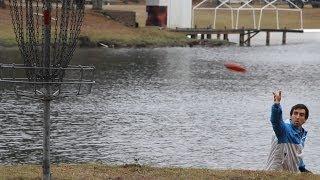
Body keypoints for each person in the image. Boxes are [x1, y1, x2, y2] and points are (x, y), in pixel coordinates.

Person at [265, 90, 312, 173]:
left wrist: (302, 168)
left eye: (301, 115)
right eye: (295, 113)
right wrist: (276, 104)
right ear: (291, 115)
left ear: (305, 119)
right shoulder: (283, 129)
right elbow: (275, 120)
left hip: (291, 173)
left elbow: (298, 153)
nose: (297, 117)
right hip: (275, 172)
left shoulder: (302, 134)